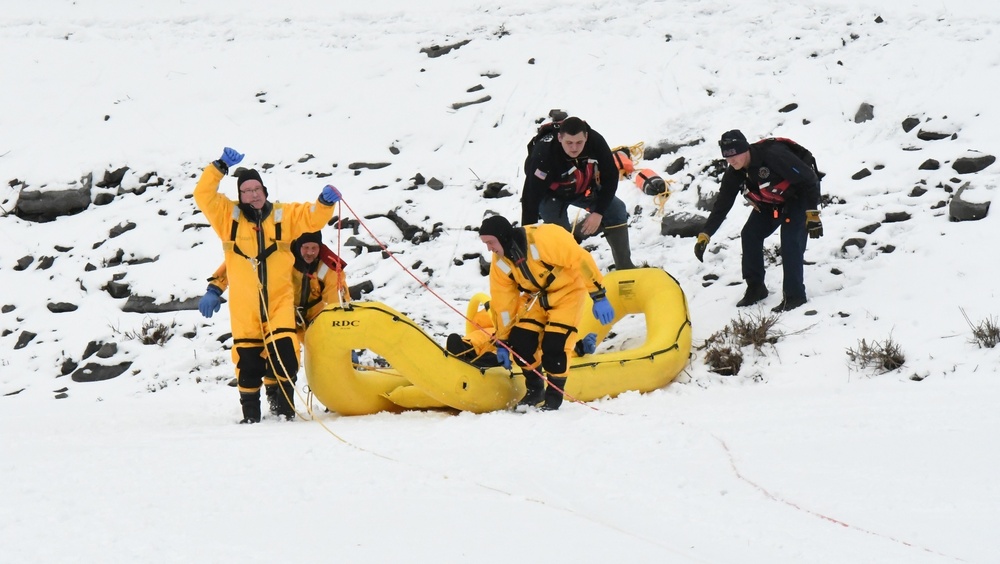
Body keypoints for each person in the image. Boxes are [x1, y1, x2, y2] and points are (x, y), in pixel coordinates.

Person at [193, 147, 340, 424]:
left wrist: (324, 202)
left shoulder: (284, 216)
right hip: (245, 307)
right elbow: (203, 195)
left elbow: (311, 217)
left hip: (278, 302)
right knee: (248, 363)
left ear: (265, 190)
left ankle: (283, 412)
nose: (253, 194)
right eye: (246, 191)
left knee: (285, 354)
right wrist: (220, 166)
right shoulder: (228, 217)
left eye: (257, 188)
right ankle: (251, 418)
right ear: (240, 195)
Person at [198, 231, 350, 415]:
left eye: (314, 248)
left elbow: (337, 302)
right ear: (297, 246)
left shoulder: (329, 266)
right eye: (306, 247)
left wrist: (344, 337)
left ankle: (334, 398)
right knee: (277, 352)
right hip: (280, 312)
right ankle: (275, 397)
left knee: (327, 352)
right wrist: (214, 289)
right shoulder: (278, 255)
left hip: (312, 316)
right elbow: (238, 264)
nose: (310, 252)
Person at [478, 214, 615, 410]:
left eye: (491, 242)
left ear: (503, 236)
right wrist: (502, 340)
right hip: (537, 298)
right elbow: (503, 303)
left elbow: (580, 259)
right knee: (520, 343)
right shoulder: (500, 262)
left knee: (555, 346)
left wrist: (598, 295)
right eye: (486, 243)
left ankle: (554, 397)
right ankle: (535, 390)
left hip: (567, 294)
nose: (489, 248)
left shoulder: (544, 238)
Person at [694, 130, 823, 312]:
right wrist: (706, 233)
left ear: (744, 149)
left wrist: (812, 213)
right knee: (750, 234)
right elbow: (722, 204)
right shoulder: (735, 172)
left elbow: (809, 180)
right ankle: (756, 288)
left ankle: (795, 296)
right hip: (772, 201)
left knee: (790, 241)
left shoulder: (773, 156)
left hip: (799, 197)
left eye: (734, 155)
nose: (732, 161)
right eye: (727, 157)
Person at [521, 116, 637, 270]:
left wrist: (598, 213)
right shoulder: (544, 154)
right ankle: (571, 274)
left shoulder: (596, 142)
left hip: (584, 188)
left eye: (579, 142)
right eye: (569, 143)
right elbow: (530, 199)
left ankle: (625, 267)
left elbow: (611, 178)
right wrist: (527, 240)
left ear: (586, 137)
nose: (574, 148)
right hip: (551, 195)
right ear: (560, 137)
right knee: (561, 237)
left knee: (616, 210)